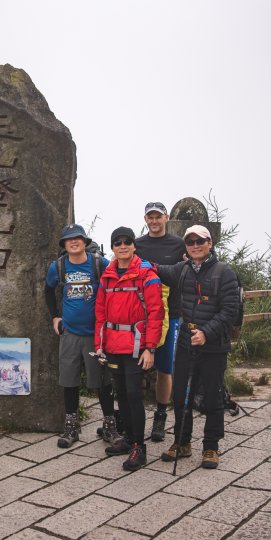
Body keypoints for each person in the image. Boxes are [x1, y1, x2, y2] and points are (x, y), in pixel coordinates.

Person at [153, 225, 241, 469]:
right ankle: (182, 442)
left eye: (199, 241)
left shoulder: (225, 273)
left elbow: (229, 312)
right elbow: (157, 269)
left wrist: (206, 333)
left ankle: (211, 447)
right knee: (181, 395)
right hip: (185, 343)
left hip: (213, 347)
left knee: (212, 397)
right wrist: (125, 258)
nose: (195, 245)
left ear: (209, 243)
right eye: (190, 242)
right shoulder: (182, 270)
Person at [94, 226, 164, 471]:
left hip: (135, 345)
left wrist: (150, 348)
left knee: (134, 395)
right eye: (117, 243)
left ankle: (139, 447)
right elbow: (100, 313)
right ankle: (128, 439)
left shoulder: (146, 274)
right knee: (121, 393)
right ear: (112, 248)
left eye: (127, 242)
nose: (122, 246)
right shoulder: (107, 276)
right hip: (113, 344)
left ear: (134, 245)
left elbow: (156, 312)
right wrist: (99, 346)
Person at [44, 224, 120, 448]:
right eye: (69, 239)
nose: (74, 242)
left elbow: (115, 283)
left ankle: (109, 426)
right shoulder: (58, 266)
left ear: (85, 242)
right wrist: (55, 316)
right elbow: (49, 290)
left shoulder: (99, 263)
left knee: (102, 382)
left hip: (96, 334)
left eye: (78, 238)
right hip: (70, 333)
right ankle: (71, 427)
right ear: (64, 244)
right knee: (69, 381)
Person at [134, 201, 186, 442]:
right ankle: (131, 417)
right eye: (150, 217)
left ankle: (161, 415)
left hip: (170, 313)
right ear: (145, 219)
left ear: (166, 218)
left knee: (165, 368)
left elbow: (193, 265)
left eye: (158, 217)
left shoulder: (179, 244)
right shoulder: (137, 244)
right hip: (139, 315)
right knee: (133, 366)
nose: (154, 221)